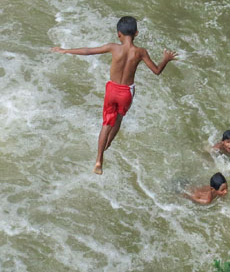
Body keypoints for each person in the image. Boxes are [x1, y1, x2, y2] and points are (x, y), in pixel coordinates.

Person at [51, 16, 177, 174]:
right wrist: (166, 59)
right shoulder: (140, 52)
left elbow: (88, 51)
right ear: (136, 33)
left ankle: (98, 159)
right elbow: (157, 71)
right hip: (126, 93)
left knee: (106, 123)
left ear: (119, 34)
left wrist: (65, 50)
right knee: (119, 118)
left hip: (112, 90)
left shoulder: (113, 47)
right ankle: (108, 144)